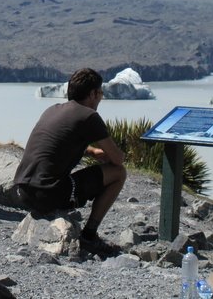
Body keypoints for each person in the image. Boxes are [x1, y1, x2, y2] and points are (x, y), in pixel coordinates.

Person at [12, 68, 127, 252]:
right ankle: (89, 234)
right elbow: (118, 159)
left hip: (23, 191)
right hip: (48, 193)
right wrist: (113, 155)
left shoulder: (53, 109)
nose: (101, 97)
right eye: (100, 93)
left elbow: (56, 142)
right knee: (119, 173)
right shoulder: (89, 116)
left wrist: (91, 152)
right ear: (92, 94)